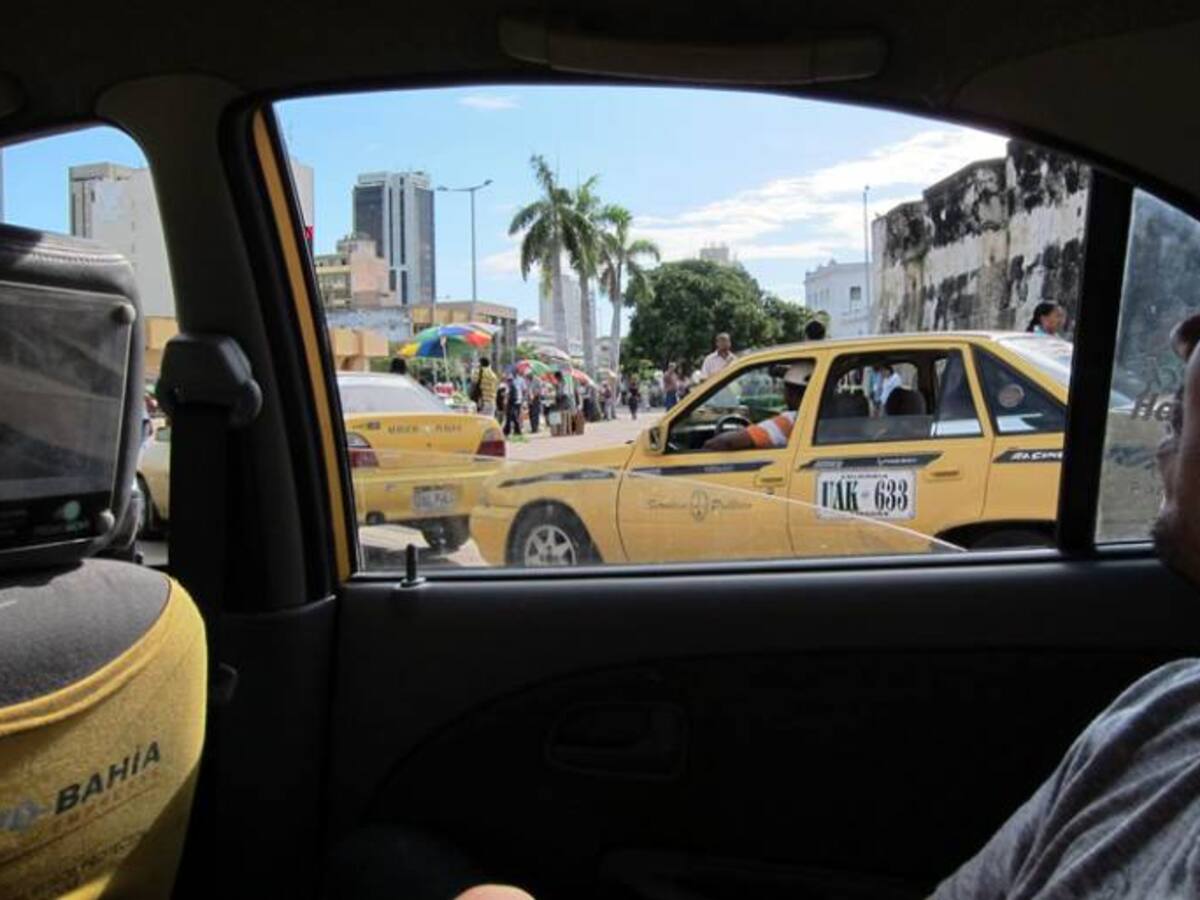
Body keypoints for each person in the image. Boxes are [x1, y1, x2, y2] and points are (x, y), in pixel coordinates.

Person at [702, 363, 811, 451]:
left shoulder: (792, 420)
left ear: (792, 394)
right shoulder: (814, 418)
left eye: (785, 390)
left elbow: (725, 442)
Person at [503, 372, 524, 437]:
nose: (508, 382)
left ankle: (511, 431)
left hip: (512, 404)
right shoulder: (511, 386)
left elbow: (513, 397)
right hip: (512, 404)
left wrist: (508, 400)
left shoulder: (512, 386)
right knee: (511, 418)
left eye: (509, 380)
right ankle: (510, 431)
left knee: (512, 418)